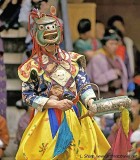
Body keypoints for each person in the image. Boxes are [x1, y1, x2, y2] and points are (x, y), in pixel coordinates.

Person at [16, 7, 110, 160]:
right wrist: (53, 103)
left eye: (53, 40)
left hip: (77, 113)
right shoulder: (32, 67)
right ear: (38, 38)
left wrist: (90, 101)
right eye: (47, 41)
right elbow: (27, 96)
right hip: (50, 115)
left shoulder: (72, 59)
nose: (51, 46)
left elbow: (83, 83)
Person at [86, 28, 128, 98]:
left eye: (116, 44)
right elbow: (97, 79)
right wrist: (113, 73)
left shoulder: (117, 58)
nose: (114, 46)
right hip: (99, 93)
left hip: (114, 92)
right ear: (104, 45)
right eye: (111, 44)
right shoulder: (97, 58)